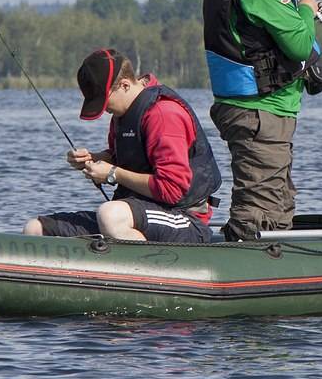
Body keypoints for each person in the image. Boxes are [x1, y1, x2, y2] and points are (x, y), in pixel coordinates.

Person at [202, 0, 322, 241]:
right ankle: (243, 271)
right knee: (259, 209)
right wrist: (306, 10)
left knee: (277, 201)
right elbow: (299, 45)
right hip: (261, 112)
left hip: (248, 108)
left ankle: (274, 268)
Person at [23, 48, 221, 243]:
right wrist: (95, 159)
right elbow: (128, 158)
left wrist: (112, 173)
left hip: (184, 219)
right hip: (138, 212)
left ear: (125, 85)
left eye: (104, 101)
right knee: (35, 229)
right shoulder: (123, 112)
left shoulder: (164, 114)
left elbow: (172, 189)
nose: (105, 110)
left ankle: (147, 272)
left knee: (110, 215)